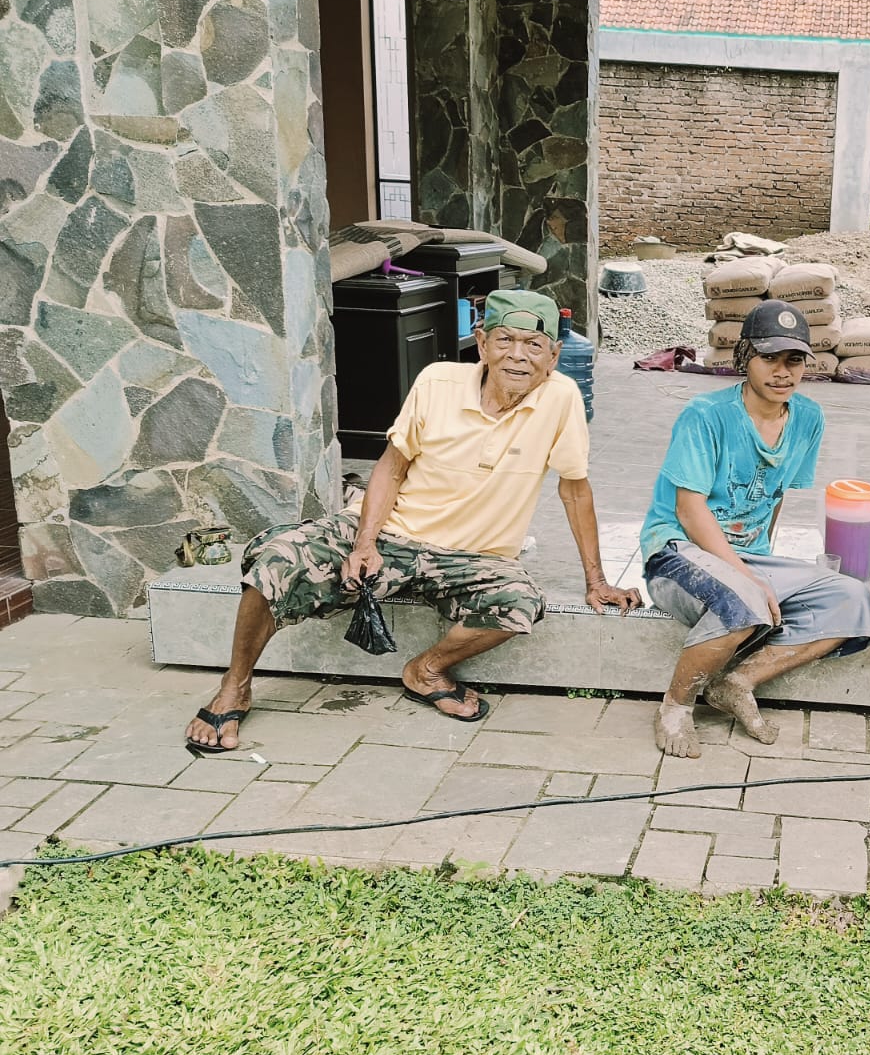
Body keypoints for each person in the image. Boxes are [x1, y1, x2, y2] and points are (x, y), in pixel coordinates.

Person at [183, 290, 642, 754]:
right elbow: (392, 466)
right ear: (482, 343)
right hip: (392, 533)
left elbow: (574, 489)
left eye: (534, 345)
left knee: (519, 602)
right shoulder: (437, 382)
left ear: (554, 356)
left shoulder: (561, 398)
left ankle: (426, 670)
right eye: (505, 339)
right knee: (276, 559)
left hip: (474, 557)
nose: (518, 355)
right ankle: (235, 686)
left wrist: (597, 580)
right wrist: (365, 543)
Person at [641, 300, 870, 759]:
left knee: (851, 597)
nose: (782, 372)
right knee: (746, 598)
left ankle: (737, 682)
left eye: (794, 360)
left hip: (745, 558)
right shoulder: (705, 415)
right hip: (677, 552)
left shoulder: (808, 418)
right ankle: (676, 705)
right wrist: (748, 577)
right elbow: (689, 510)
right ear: (745, 357)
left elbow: (777, 493)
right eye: (769, 358)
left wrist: (761, 563)